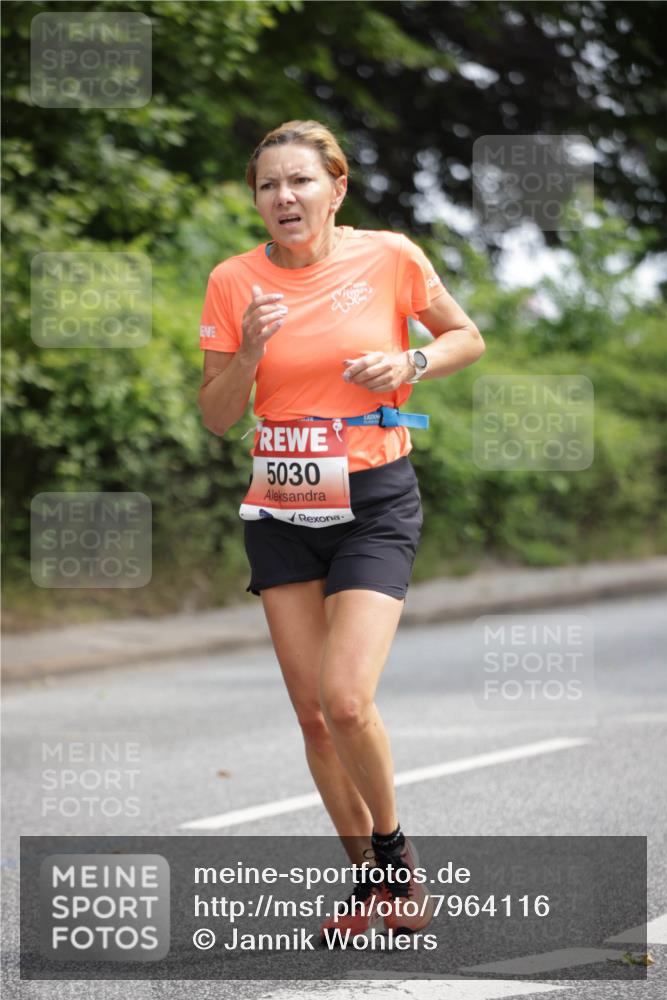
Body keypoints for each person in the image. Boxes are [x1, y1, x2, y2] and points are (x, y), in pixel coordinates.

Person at [198, 120, 485, 941]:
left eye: (299, 182)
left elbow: (466, 335)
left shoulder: (389, 256)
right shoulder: (232, 281)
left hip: (373, 500)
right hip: (283, 507)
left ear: (336, 189)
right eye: (267, 185)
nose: (282, 197)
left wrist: (412, 363)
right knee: (313, 716)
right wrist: (249, 353)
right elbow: (218, 418)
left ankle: (397, 865)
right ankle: (367, 887)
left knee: (347, 699)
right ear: (255, 197)